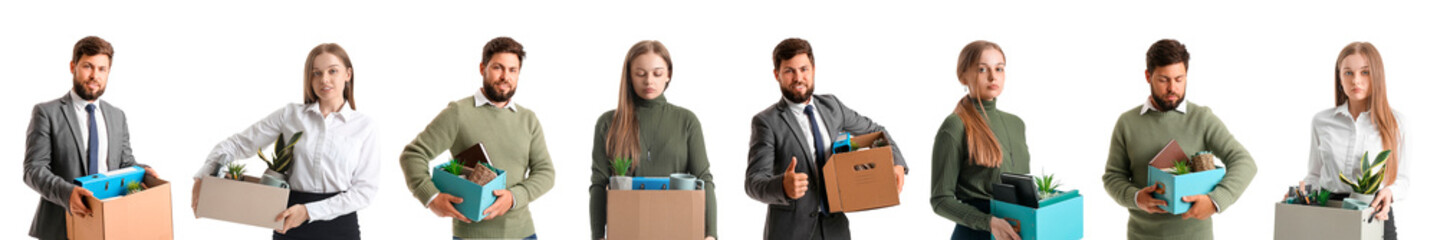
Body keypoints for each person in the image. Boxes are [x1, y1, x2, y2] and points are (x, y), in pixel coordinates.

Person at [191, 43, 380, 240]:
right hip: (289, 223)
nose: (324, 79)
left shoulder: (365, 127)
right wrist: (202, 177)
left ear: (348, 74)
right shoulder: (291, 115)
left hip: (340, 228)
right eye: (316, 73)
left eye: (333, 71)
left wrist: (308, 212)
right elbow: (239, 144)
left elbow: (364, 191)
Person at [743, 38, 909, 240]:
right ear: (777, 74)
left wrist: (897, 164)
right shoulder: (766, 122)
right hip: (791, 232)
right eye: (789, 71)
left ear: (813, 69)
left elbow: (876, 132)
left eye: (804, 69)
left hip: (835, 229)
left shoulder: (832, 107)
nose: (798, 78)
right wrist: (782, 187)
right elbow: (754, 182)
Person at [399, 36, 556, 240]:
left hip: (523, 233)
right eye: (498, 68)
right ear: (483, 68)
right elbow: (413, 155)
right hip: (471, 235)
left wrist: (513, 197)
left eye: (512, 70)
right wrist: (431, 197)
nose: (505, 77)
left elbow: (545, 172)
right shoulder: (458, 113)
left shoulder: (528, 119)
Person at [1100, 39, 1258, 240]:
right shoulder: (1127, 123)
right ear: (1148, 76)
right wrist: (1136, 198)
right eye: (1163, 79)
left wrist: (1215, 201)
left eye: (1179, 79)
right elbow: (1113, 177)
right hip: (1141, 236)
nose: (1172, 88)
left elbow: (1244, 162)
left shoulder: (1202, 118)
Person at [24, 36, 159, 240]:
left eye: (102, 69)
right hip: (61, 225)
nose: (95, 75)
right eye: (88, 66)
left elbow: (124, 163)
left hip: (110, 223)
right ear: (73, 66)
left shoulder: (117, 116)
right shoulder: (46, 113)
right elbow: (33, 170)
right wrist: (67, 193)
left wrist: (142, 170)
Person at [588, 40, 718, 240]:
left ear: (668, 75)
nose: (649, 81)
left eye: (657, 73)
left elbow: (704, 178)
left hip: (679, 229)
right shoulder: (608, 123)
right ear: (629, 77)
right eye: (640, 74)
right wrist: (597, 235)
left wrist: (711, 234)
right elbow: (599, 183)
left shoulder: (687, 121)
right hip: (627, 230)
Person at [1300, 42, 1406, 239]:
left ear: (1377, 76)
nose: (1356, 80)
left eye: (1364, 72)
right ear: (1339, 78)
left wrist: (1390, 193)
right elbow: (1314, 174)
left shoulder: (1395, 122)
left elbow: (1403, 179)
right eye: (1348, 73)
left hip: (1375, 212)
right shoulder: (1322, 121)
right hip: (1330, 212)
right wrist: (1300, 195)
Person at [929, 40, 1029, 240]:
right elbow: (940, 200)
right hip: (976, 234)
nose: (993, 76)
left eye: (999, 69)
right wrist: (988, 222)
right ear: (963, 76)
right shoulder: (955, 126)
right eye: (982, 69)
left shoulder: (1016, 124)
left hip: (1015, 232)